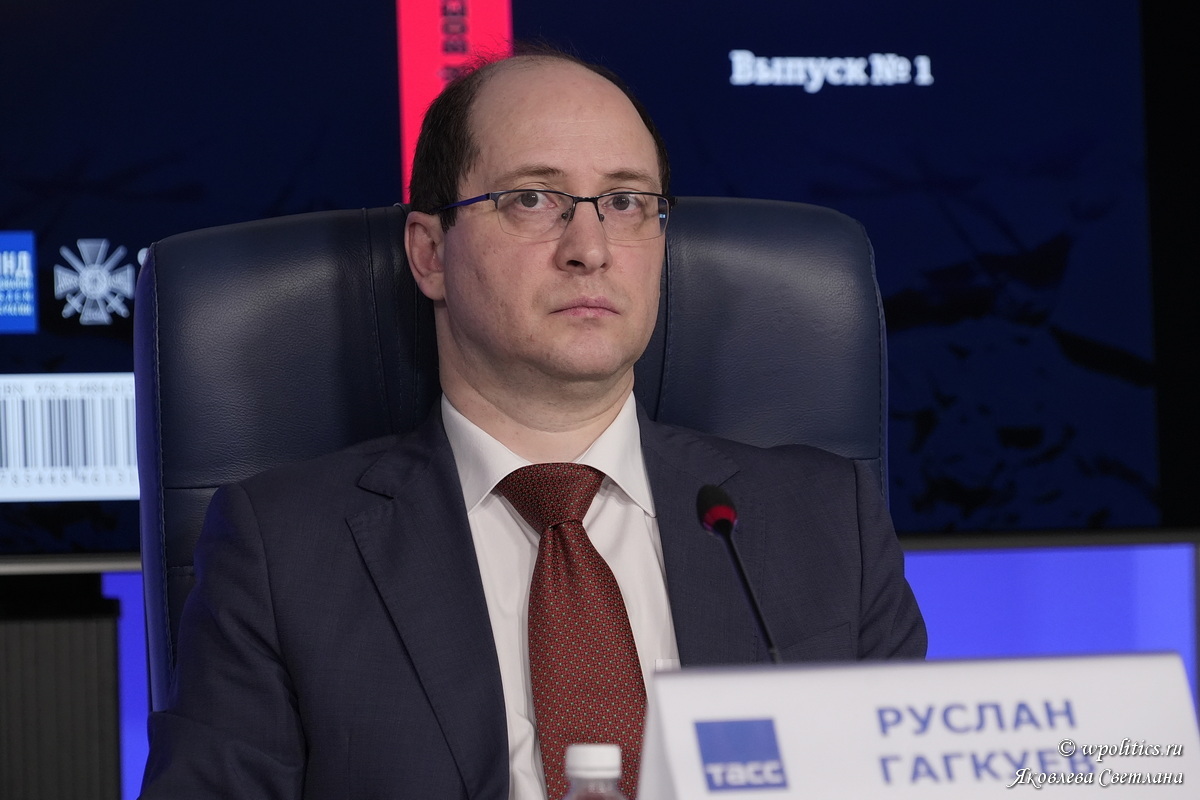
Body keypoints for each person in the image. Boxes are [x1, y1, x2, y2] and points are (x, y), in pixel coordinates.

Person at [140, 48, 925, 800]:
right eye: (532, 199)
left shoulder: (825, 521)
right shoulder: (282, 551)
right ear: (429, 254)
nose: (590, 248)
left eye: (625, 202)